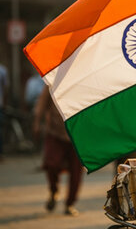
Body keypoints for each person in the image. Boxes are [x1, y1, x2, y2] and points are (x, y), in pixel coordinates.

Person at [33, 85, 83, 216]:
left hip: (77, 135)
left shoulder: (84, 78)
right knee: (51, 164)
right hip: (55, 131)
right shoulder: (53, 79)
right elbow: (42, 102)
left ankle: (70, 204)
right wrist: (37, 122)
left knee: (76, 172)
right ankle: (54, 190)